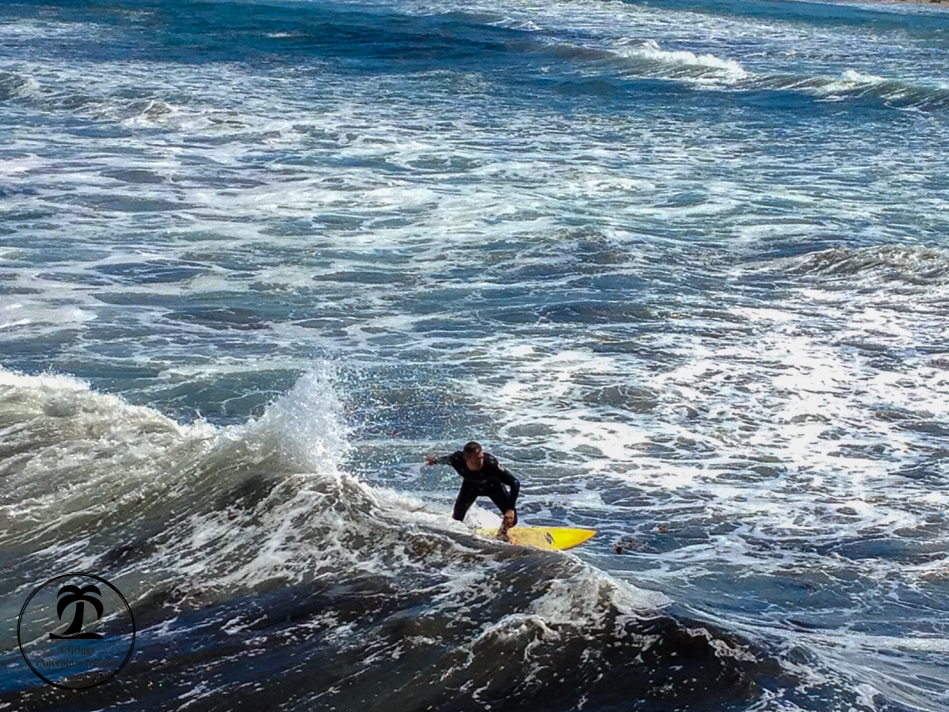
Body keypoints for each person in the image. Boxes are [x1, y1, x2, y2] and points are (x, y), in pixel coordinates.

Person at [425, 441, 520, 540]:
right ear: (466, 459)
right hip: (470, 488)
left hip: (493, 488)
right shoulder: (457, 459)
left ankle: (502, 533)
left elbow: (515, 483)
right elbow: (445, 460)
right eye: (477, 459)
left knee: (512, 520)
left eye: (482, 457)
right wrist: (434, 461)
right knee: (456, 520)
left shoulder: (491, 464)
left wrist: (510, 509)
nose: (481, 462)